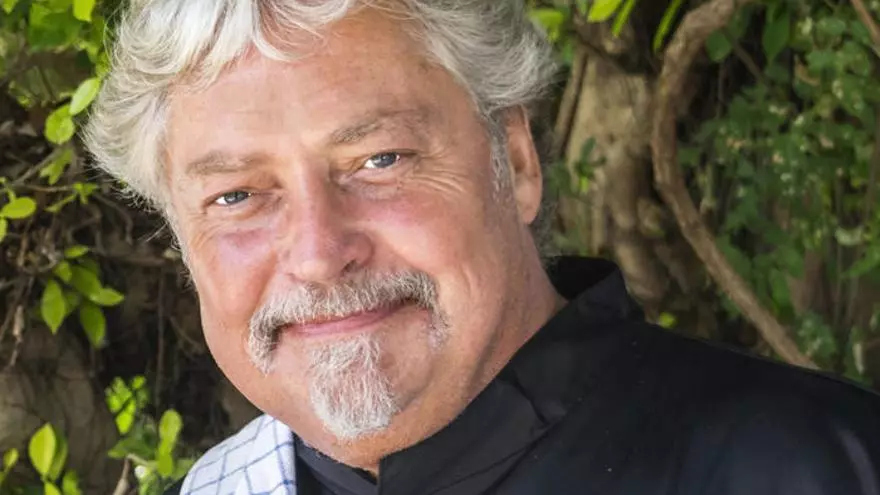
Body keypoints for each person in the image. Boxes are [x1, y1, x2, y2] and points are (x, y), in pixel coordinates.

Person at [85, 1, 880, 494]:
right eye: (236, 196)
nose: (320, 253)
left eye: (380, 159)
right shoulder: (220, 487)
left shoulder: (818, 467)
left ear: (518, 161)